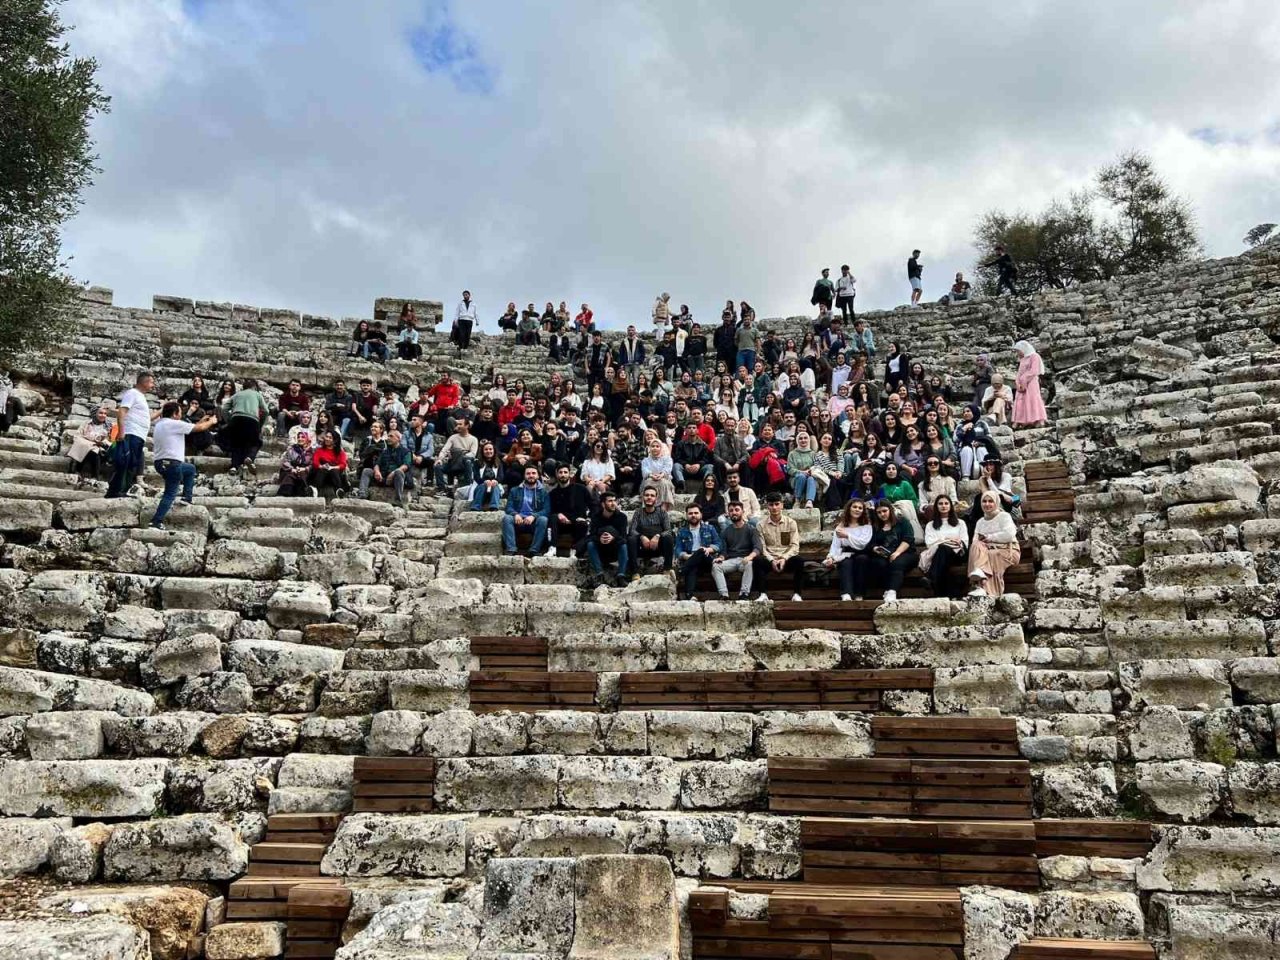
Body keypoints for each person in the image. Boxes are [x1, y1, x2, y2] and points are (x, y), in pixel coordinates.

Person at [150, 401, 217, 529]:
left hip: (160, 463)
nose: (181, 414)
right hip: (172, 464)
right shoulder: (174, 424)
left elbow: (191, 428)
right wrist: (211, 421)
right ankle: (156, 521)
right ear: (175, 414)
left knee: (190, 469)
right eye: (180, 412)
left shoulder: (160, 424)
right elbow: (200, 429)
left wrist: (202, 420)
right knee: (170, 493)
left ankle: (187, 497)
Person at [850, 500, 918, 602]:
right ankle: (879, 590)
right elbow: (871, 543)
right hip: (884, 554)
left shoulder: (902, 522)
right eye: (879, 512)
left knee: (896, 562)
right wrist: (875, 548)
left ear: (890, 510)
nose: (882, 514)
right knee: (878, 563)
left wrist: (897, 553)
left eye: (884, 511)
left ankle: (892, 591)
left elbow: (908, 539)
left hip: (905, 552)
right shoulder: (876, 526)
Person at [106, 371, 159, 499]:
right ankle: (115, 491)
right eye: (151, 382)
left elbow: (148, 419)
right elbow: (122, 411)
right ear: (145, 382)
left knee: (131, 464)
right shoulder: (132, 393)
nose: (153, 385)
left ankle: (123, 490)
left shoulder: (141, 397)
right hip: (131, 434)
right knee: (124, 463)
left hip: (139, 435)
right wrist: (122, 432)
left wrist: (163, 409)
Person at [968, 491, 1020, 596]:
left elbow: (1009, 535)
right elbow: (975, 541)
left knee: (991, 555)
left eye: (990, 501)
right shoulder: (980, 522)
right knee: (976, 545)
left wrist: (989, 538)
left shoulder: (1004, 516)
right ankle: (979, 574)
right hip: (987, 551)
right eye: (984, 501)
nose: (987, 504)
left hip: (1008, 550)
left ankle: (984, 588)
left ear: (996, 502)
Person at [756, 493, 805, 601]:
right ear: (767, 506)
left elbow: (795, 546)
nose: (774, 507)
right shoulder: (760, 525)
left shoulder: (791, 522)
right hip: (769, 559)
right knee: (757, 560)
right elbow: (762, 547)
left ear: (782, 505)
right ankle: (762, 594)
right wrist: (772, 560)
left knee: (799, 560)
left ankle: (797, 594)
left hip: (786, 559)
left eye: (777, 504)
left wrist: (784, 558)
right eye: (771, 504)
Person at [823, 498, 874, 601]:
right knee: (846, 563)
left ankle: (859, 594)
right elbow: (836, 546)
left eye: (860, 508)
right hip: (845, 553)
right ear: (849, 508)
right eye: (854, 507)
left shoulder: (866, 526)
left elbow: (862, 543)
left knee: (862, 559)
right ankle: (846, 593)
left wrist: (847, 536)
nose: (857, 510)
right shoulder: (841, 526)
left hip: (861, 553)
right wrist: (831, 557)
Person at [920, 494, 968, 597]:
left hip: (957, 554)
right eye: (940, 503)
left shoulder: (960, 523)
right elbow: (929, 543)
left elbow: (964, 542)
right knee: (943, 551)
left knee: (943, 548)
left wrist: (942, 541)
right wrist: (947, 540)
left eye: (946, 503)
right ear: (936, 506)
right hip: (938, 554)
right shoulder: (930, 525)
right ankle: (952, 594)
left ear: (951, 506)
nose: (943, 506)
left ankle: (931, 578)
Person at [713, 501, 763, 600]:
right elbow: (724, 551)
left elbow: (758, 547)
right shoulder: (726, 531)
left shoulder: (751, 529)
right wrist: (721, 558)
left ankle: (744, 594)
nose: (734, 512)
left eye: (737, 510)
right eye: (731, 510)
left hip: (744, 560)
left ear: (742, 512)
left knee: (749, 564)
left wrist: (750, 557)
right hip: (731, 560)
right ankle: (724, 595)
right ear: (728, 513)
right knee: (716, 566)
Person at [502, 464, 550, 556]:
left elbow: (546, 510)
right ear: (524, 476)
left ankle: (534, 550)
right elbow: (509, 507)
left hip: (534, 522)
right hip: (518, 521)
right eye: (528, 473)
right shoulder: (514, 490)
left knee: (543, 519)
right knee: (507, 518)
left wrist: (534, 516)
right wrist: (515, 514)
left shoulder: (544, 492)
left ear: (538, 475)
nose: (531, 475)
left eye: (533, 473)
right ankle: (511, 549)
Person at [675, 503, 721, 598]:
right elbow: (678, 549)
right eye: (690, 513)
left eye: (696, 513)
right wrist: (686, 556)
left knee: (700, 551)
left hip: (707, 559)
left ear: (701, 515)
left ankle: (681, 571)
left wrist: (708, 549)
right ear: (686, 515)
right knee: (692, 567)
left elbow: (719, 545)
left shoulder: (710, 528)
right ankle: (690, 596)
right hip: (691, 559)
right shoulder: (682, 531)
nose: (693, 515)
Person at [627, 486, 674, 577]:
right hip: (642, 547)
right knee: (631, 539)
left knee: (668, 538)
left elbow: (668, 530)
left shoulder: (662, 513)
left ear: (656, 498)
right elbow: (632, 530)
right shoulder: (638, 512)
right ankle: (635, 573)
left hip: (658, 547)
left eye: (652, 495)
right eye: (647, 495)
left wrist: (657, 536)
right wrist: (641, 537)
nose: (649, 497)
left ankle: (667, 569)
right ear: (643, 497)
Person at [586, 491, 629, 587]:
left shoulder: (622, 517)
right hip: (601, 550)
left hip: (615, 550)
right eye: (610, 501)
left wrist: (613, 538)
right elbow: (591, 536)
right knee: (590, 544)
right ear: (603, 504)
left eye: (614, 501)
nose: (613, 503)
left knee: (624, 545)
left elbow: (624, 537)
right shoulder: (596, 517)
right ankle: (599, 575)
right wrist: (599, 539)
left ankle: (621, 576)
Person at [359, 429, 412, 505]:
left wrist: (393, 473)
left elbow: (406, 465)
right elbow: (377, 463)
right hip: (384, 476)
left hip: (396, 478)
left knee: (399, 472)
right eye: (388, 436)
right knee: (366, 471)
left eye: (391, 436)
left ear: (398, 439)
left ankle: (398, 499)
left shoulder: (406, 451)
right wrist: (377, 471)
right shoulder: (385, 451)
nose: (388, 438)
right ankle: (362, 494)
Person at [548, 463, 591, 555]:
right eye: (560, 472)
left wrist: (588, 518)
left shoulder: (581, 489)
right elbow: (550, 511)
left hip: (577, 522)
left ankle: (574, 551)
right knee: (553, 518)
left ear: (569, 474)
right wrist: (558, 514)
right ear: (557, 474)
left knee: (583, 524)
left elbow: (593, 506)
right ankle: (552, 548)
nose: (563, 475)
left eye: (565, 472)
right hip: (560, 524)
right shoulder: (553, 493)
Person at [435, 417, 478, 490]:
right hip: (452, 462)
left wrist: (461, 455)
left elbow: (473, 453)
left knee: (467, 461)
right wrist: (440, 459)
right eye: (457, 424)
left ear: (467, 426)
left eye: (460, 424)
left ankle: (468, 486)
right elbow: (444, 450)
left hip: (464, 463)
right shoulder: (453, 437)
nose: (458, 426)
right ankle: (441, 488)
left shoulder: (473, 439)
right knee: (438, 466)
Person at [68, 407, 112, 480]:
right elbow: (77, 436)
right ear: (94, 414)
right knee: (87, 448)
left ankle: (95, 476)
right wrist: (88, 441)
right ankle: (77, 472)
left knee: (96, 452)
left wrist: (102, 443)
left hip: (101, 448)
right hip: (85, 445)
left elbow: (109, 440)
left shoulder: (108, 426)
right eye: (101, 413)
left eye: (105, 414)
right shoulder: (86, 424)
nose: (103, 415)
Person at [1012, 340, 1047, 427]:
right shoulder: (1023, 359)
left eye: (1018, 351)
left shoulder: (1034, 356)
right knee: (1020, 400)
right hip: (1022, 383)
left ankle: (1038, 419)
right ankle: (1020, 420)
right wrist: (1017, 382)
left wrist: (1024, 380)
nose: (1018, 353)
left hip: (1031, 382)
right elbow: (1019, 372)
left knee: (1032, 399)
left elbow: (1034, 371)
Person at [309, 430, 350, 500]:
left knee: (334, 470)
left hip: (334, 474)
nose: (327, 439)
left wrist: (332, 467)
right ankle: (315, 490)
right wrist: (322, 466)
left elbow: (343, 464)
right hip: (321, 473)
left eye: (330, 438)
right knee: (323, 470)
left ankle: (339, 490)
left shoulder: (340, 452)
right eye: (326, 437)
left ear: (335, 440)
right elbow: (315, 463)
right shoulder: (319, 450)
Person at [278, 429, 317, 496]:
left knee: (302, 475)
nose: (300, 439)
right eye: (298, 437)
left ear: (307, 439)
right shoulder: (292, 449)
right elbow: (286, 461)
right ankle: (284, 493)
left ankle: (302, 492)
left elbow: (313, 464)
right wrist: (292, 469)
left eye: (302, 437)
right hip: (292, 469)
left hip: (305, 471)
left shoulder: (312, 452)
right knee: (289, 475)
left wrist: (305, 469)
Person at [471, 440, 505, 511]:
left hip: (494, 486)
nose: (488, 451)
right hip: (481, 486)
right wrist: (484, 481)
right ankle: (476, 506)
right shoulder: (477, 462)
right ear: (482, 451)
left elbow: (501, 476)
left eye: (490, 449)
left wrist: (495, 481)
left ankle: (494, 506)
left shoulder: (499, 463)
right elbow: (476, 476)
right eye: (486, 449)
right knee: (483, 486)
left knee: (495, 486)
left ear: (494, 451)